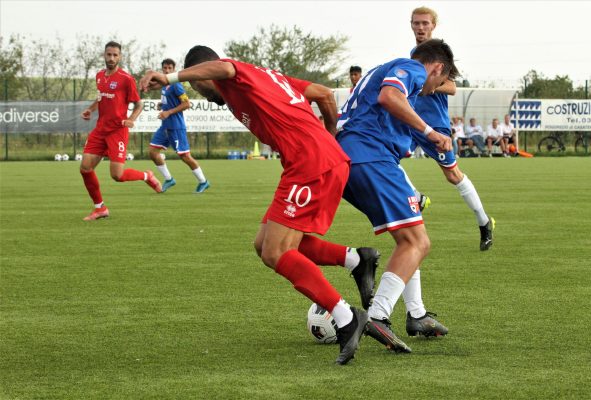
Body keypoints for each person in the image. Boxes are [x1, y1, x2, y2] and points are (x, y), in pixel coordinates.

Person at [140, 45, 379, 365]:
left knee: (275, 251)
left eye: (197, 85)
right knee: (263, 243)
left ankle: (347, 317)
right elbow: (323, 94)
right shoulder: (270, 79)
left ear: (204, 72)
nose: (199, 91)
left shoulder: (235, 75)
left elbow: (225, 69)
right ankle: (356, 259)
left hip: (311, 163)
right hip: (308, 161)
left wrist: (170, 78)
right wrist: (330, 138)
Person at [336, 38, 457, 353]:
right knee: (419, 242)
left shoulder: (385, 73)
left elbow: (397, 114)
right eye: (439, 83)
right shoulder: (412, 68)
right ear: (437, 68)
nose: (433, 90)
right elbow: (390, 96)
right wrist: (432, 132)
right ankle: (377, 315)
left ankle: (414, 312)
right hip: (371, 157)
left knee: (409, 239)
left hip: (351, 161)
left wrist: (435, 140)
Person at [409, 6, 494, 253]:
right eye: (416, 23)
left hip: (435, 126)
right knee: (386, 157)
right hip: (413, 122)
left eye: (425, 23)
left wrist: (428, 86)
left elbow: (453, 87)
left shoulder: (439, 53)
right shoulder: (413, 53)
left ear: (433, 25)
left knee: (453, 175)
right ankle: (416, 196)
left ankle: (484, 221)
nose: (420, 27)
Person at [79, 41, 161, 221]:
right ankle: (100, 208)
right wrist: (90, 110)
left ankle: (147, 175)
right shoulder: (100, 75)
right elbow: (101, 97)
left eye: (115, 55)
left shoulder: (126, 79)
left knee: (117, 175)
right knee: (85, 168)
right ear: (104, 55)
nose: (111, 58)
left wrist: (131, 119)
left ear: (120, 57)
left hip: (117, 131)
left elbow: (139, 104)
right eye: (109, 54)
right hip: (100, 130)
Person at [149, 58, 210, 193]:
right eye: (165, 68)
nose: (167, 70)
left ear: (174, 69)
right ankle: (169, 179)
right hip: (165, 126)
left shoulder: (176, 84)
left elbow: (187, 104)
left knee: (185, 156)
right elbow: (171, 101)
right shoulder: (165, 85)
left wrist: (168, 112)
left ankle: (203, 181)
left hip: (176, 126)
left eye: (170, 68)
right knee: (153, 152)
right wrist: (162, 105)